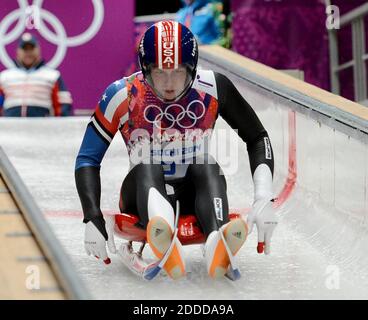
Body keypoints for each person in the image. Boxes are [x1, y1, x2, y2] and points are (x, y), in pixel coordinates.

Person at [75, 20, 278, 280]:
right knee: (147, 164)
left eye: (178, 73)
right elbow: (87, 159)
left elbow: (257, 137)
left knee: (206, 162)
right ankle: (163, 231)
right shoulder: (121, 94)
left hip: (195, 193)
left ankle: (216, 237)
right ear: (145, 69)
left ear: (191, 70)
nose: (169, 85)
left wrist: (264, 198)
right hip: (141, 195)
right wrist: (91, 216)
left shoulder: (214, 87)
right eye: (160, 73)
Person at [0, 33, 72, 117]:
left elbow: (64, 106)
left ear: (38, 50)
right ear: (18, 52)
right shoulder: (4, 76)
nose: (28, 52)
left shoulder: (52, 76)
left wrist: (60, 128)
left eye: (31, 48)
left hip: (42, 128)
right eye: (24, 49)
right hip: (10, 128)